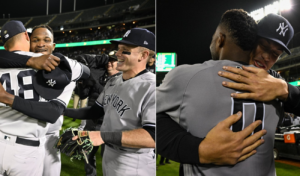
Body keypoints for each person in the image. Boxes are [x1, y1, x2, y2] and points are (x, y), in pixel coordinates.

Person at [157, 13, 295, 168]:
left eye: (275, 54)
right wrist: (197, 149)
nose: (266, 56)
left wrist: (286, 90)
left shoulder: (277, 83)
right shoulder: (198, 76)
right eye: (263, 45)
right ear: (250, 39)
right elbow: (149, 118)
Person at [0, 21, 89, 176]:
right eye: (36, 40)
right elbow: (86, 72)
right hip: (28, 148)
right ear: (27, 37)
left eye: (46, 40)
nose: (41, 44)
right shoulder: (62, 69)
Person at [64, 28, 156, 176]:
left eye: (125, 50)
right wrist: (62, 110)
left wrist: (101, 136)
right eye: (118, 49)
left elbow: (152, 137)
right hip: (110, 154)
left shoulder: (151, 87)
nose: (117, 54)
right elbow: (95, 111)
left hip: (134, 162)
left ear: (143, 55)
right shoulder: (114, 80)